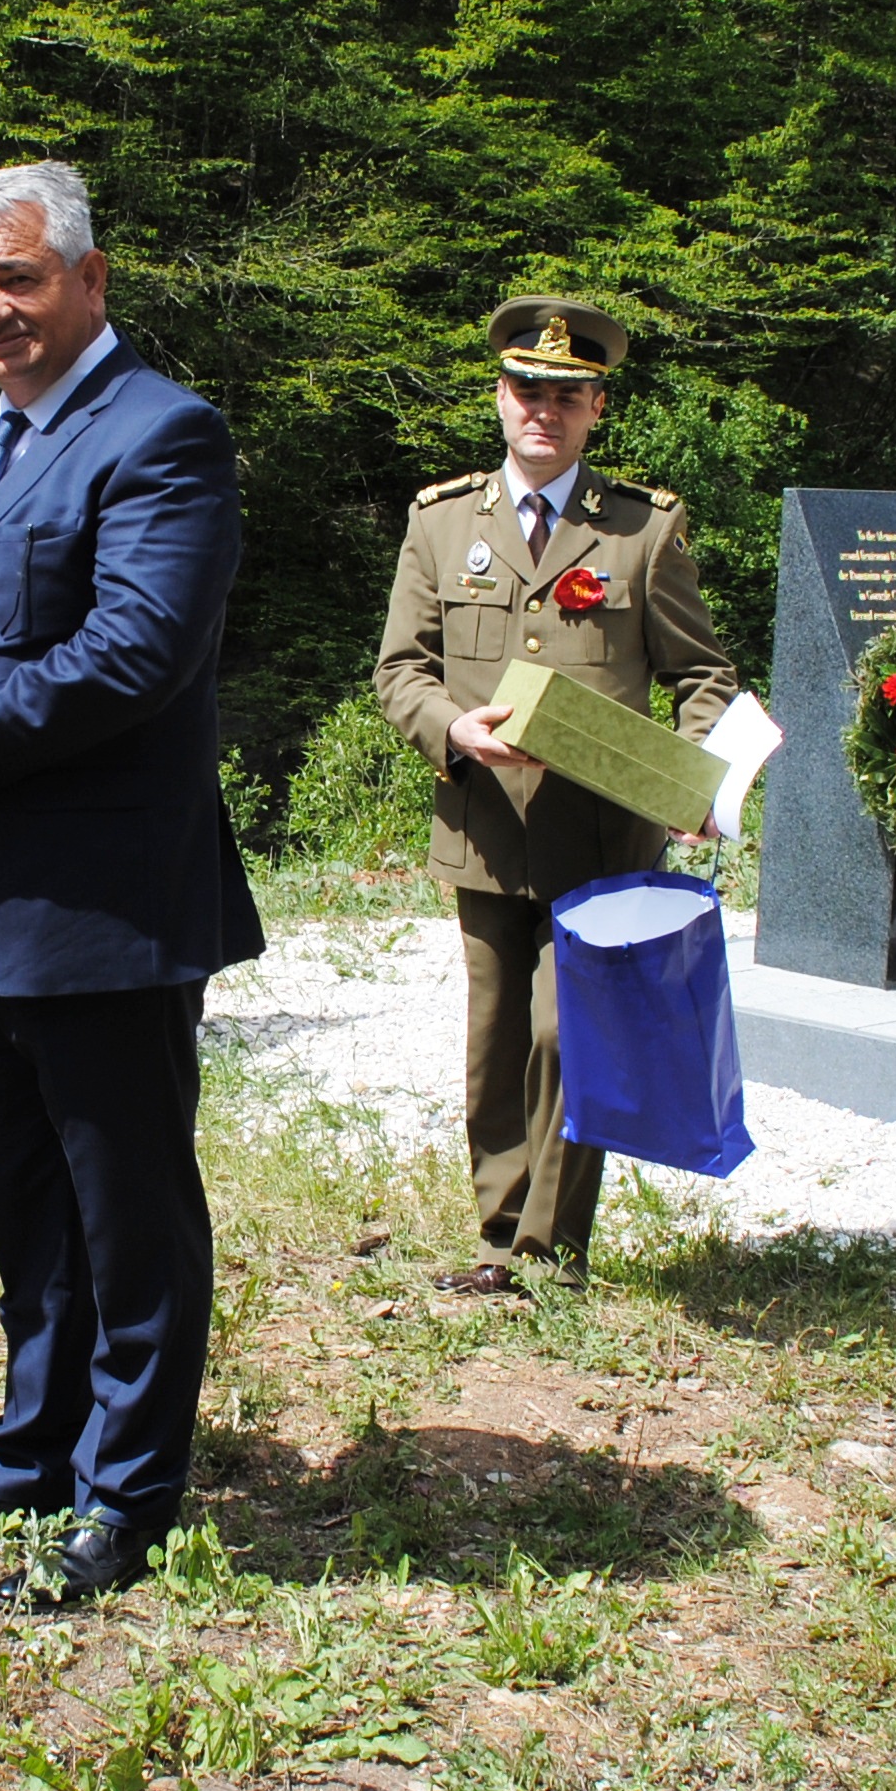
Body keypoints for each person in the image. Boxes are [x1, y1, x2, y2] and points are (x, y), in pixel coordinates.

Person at [0, 161, 262, 1611]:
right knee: (24, 1210)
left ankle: (126, 1502)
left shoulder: (164, 433)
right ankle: (27, 1461)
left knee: (129, 1219)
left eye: (15, 280)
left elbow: (131, 658)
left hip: (104, 908)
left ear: (89, 278)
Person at [370, 297, 738, 1295]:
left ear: (595, 409)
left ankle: (548, 1253)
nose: (543, 410)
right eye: (526, 390)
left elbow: (704, 675)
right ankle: (497, 1241)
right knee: (494, 1047)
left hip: (604, 834)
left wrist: (688, 775)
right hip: (484, 829)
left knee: (561, 1034)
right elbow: (400, 668)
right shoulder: (441, 522)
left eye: (565, 396)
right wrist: (451, 727)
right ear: (499, 397)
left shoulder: (639, 531)